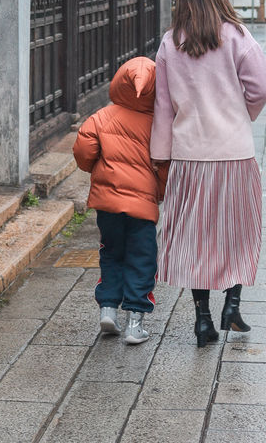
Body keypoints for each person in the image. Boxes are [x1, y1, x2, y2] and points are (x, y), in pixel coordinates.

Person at [150, 0, 266, 348]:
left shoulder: (171, 43)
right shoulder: (237, 36)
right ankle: (231, 306)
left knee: (195, 237)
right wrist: (242, 114)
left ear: (181, 1)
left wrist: (161, 157)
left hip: (190, 157)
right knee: (237, 232)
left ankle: (203, 320)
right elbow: (262, 87)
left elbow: (163, 106)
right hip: (234, 154)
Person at [73, 57, 169, 345]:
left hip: (108, 204)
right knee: (142, 258)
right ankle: (135, 321)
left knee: (111, 253)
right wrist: (158, 194)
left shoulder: (101, 117)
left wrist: (98, 171)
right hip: (142, 207)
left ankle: (108, 309)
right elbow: (164, 165)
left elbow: (83, 150)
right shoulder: (159, 125)